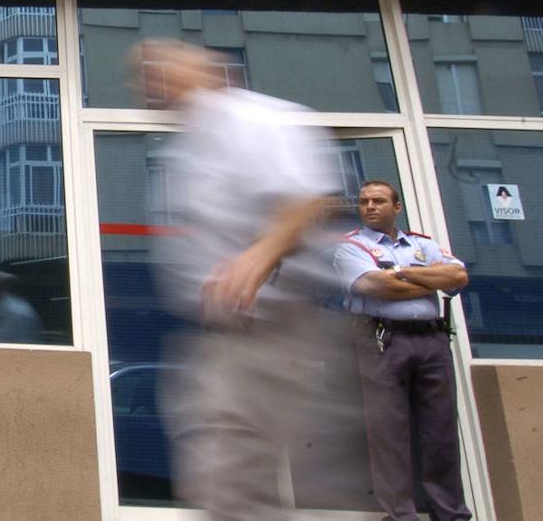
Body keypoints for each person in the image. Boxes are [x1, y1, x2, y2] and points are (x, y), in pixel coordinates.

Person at [130, 39, 342, 520]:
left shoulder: (256, 120)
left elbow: (307, 200)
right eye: (141, 74)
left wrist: (259, 255)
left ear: (203, 70)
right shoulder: (185, 148)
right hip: (219, 334)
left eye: (157, 69)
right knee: (219, 478)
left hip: (275, 328)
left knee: (240, 481)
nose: (146, 82)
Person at [334, 180, 472, 521]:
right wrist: (428, 279)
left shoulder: (422, 244)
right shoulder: (352, 246)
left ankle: (450, 513)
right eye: (364, 201)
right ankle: (401, 515)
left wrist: (403, 272)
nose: (369, 206)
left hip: (431, 341)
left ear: (396, 207)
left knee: (440, 431)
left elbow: (458, 277)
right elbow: (379, 287)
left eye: (378, 201)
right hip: (383, 340)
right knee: (389, 433)